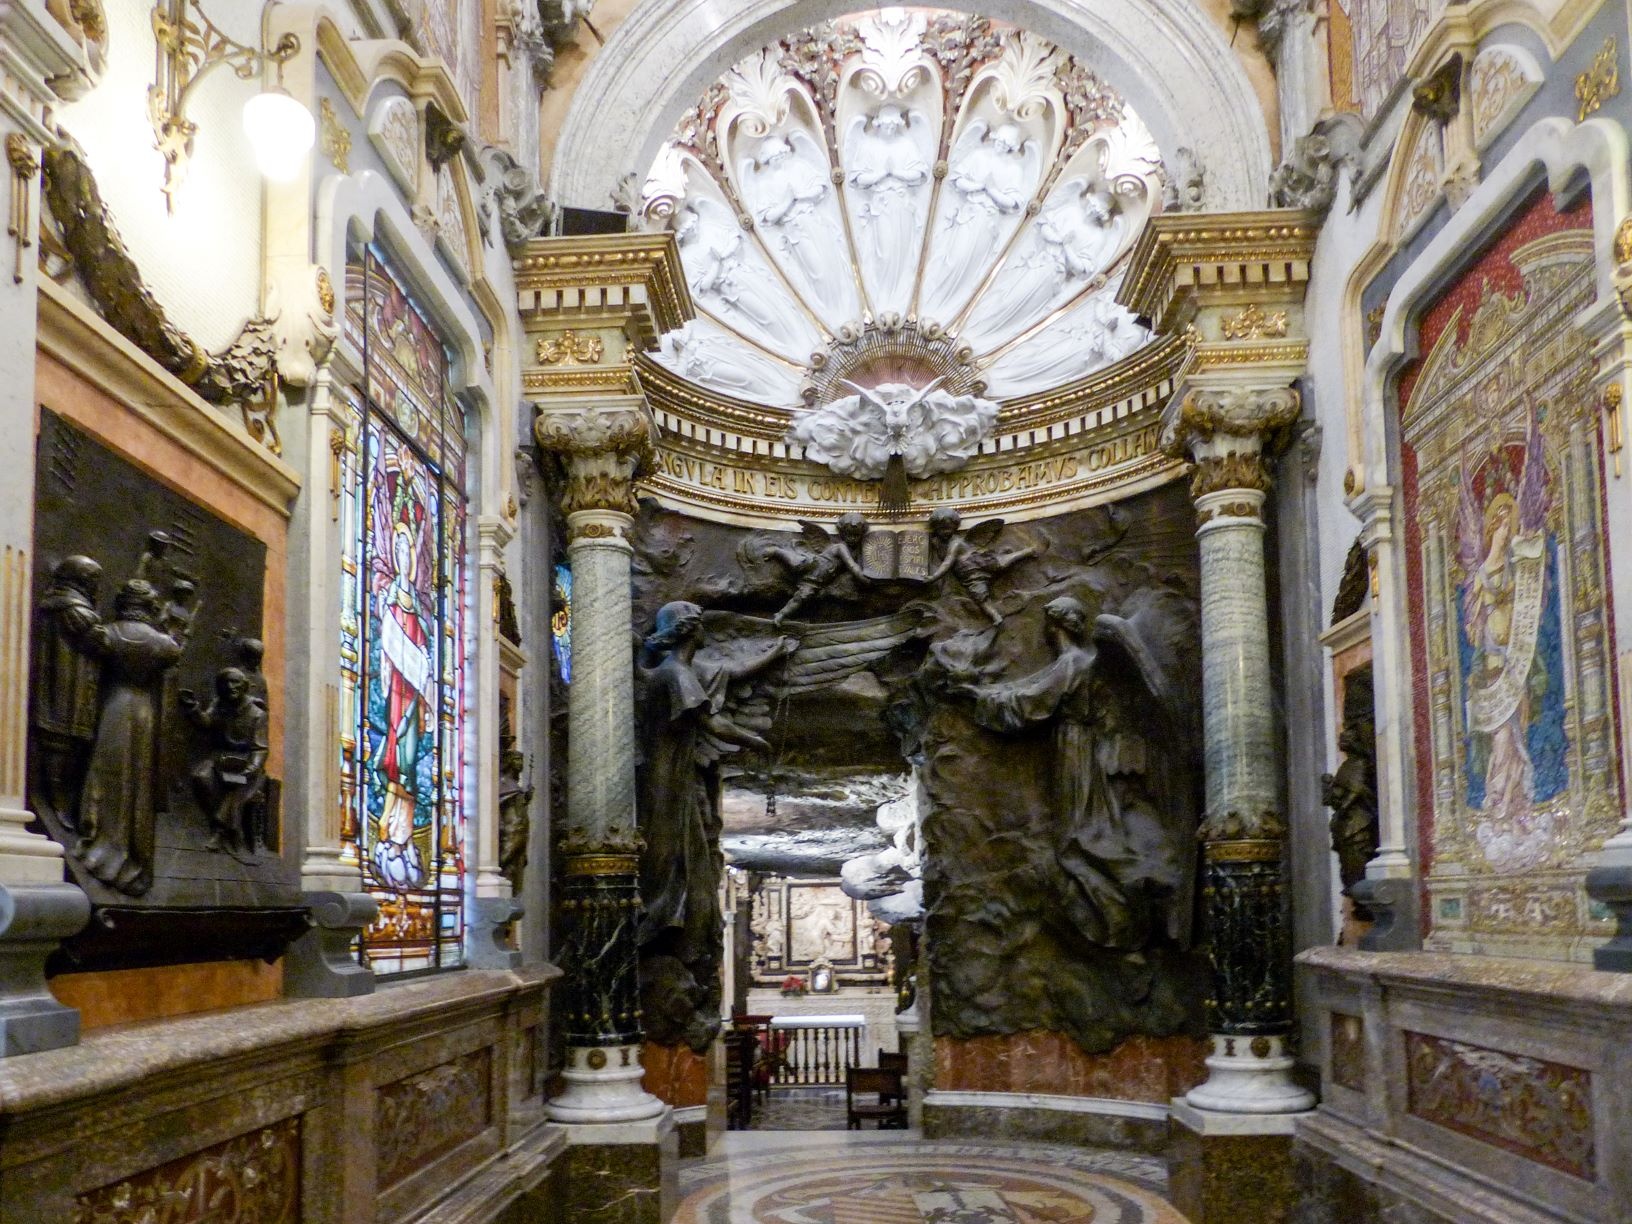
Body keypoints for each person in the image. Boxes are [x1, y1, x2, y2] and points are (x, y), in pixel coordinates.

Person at [76, 579, 183, 895]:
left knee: (106, 776)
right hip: (143, 711)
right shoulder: (161, 643)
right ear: (149, 606)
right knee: (137, 784)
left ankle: (101, 844)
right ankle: (132, 857)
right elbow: (175, 651)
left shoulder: (108, 633)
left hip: (114, 706)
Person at [29, 555, 104, 826]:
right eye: (94, 580)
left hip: (69, 682)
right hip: (68, 686)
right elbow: (100, 641)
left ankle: (59, 799)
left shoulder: (62, 602)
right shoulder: (72, 608)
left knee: (66, 740)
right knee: (63, 738)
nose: (98, 586)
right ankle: (57, 801)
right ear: (81, 580)